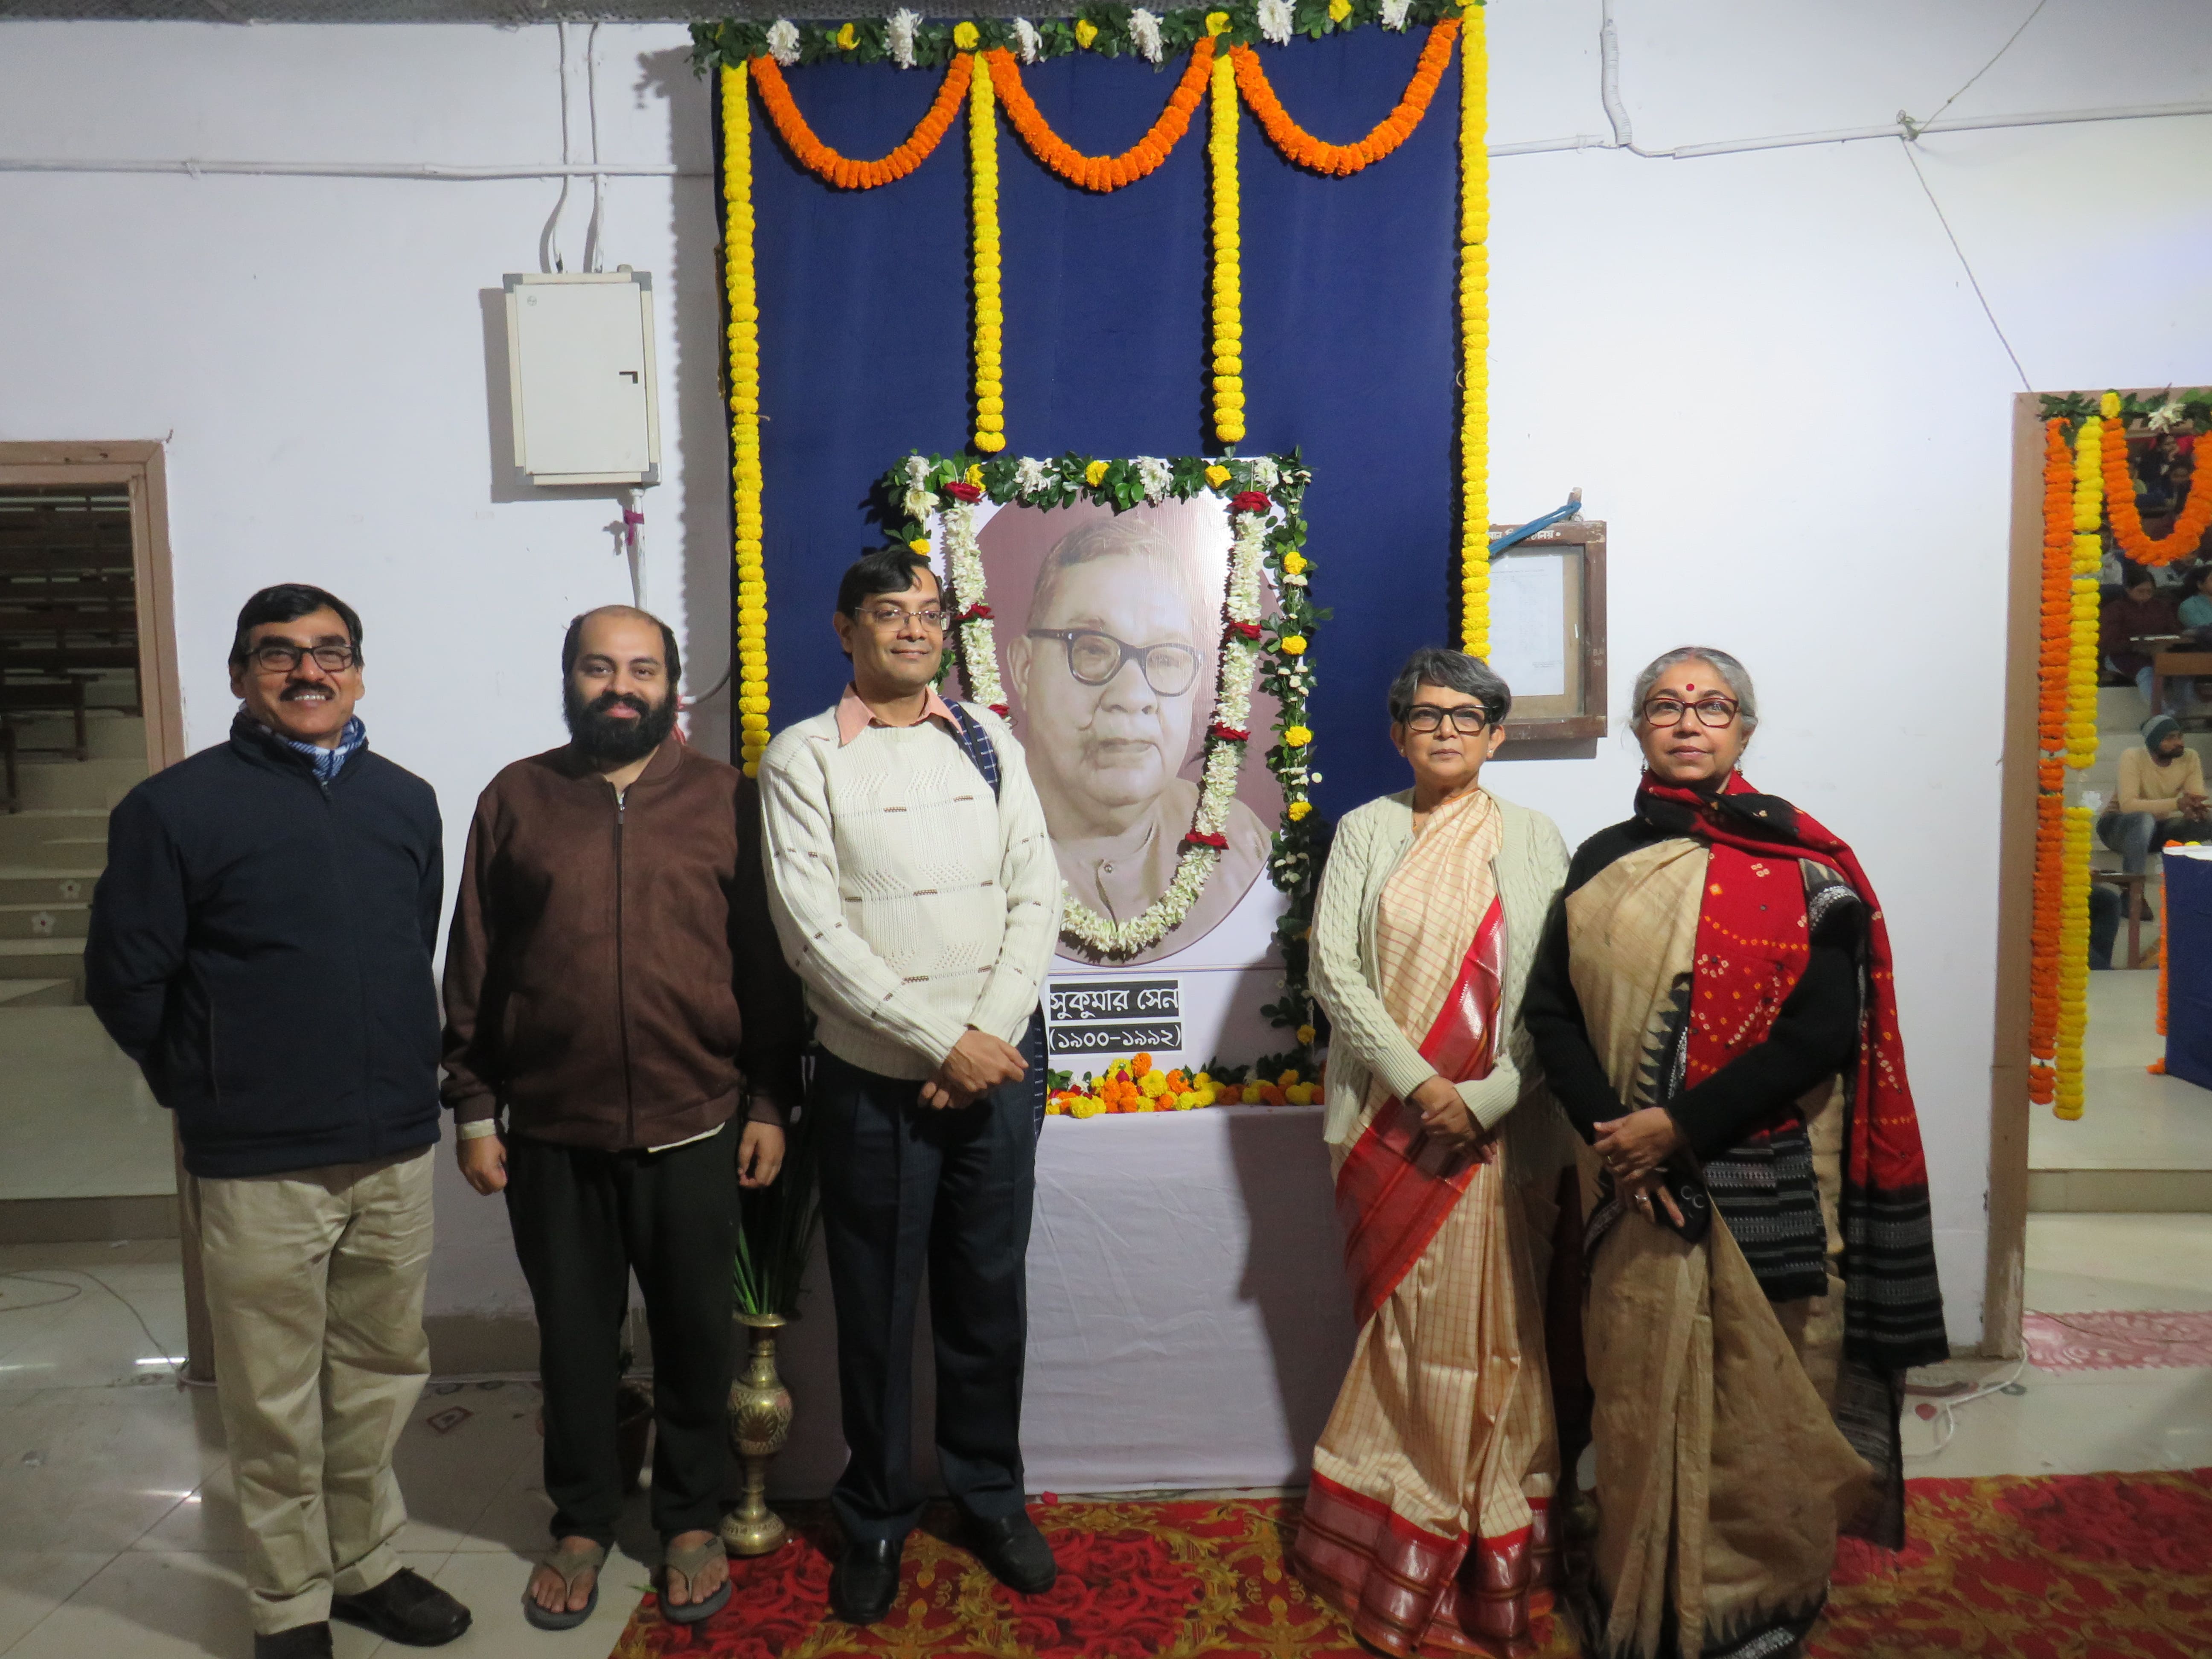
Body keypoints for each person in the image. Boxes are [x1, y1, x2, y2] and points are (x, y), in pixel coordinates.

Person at [1521, 646, 1949, 1659]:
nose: (1688, 721)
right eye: (1665, 705)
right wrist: (1615, 1135)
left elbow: (1818, 1034)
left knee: (1765, 1396)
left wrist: (1676, 1128)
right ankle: (1638, 1592)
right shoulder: (1600, 862)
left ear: (1744, 730)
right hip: (1626, 1183)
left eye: (1712, 706)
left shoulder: (1804, 866)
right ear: (1638, 729)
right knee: (1636, 1396)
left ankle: (1759, 1601)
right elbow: (1552, 1011)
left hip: (1764, 1178)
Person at [84, 585, 470, 1659]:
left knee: (380, 1376)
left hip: (393, 1144)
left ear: (358, 670)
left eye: (330, 652)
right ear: (239, 675)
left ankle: (366, 1565)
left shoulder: (406, 801)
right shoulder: (174, 809)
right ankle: (290, 1601)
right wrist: (210, 1084)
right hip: (259, 1162)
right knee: (272, 1397)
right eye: (278, 653)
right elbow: (125, 980)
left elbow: (409, 943)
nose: (309, 671)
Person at [440, 605, 806, 1630]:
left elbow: (764, 965)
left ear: (671, 685)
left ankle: (687, 1518)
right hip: (553, 1130)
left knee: (694, 1337)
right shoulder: (517, 797)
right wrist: (473, 1105)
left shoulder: (726, 799)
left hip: (698, 1123)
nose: (620, 687)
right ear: (569, 679)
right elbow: (474, 960)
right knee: (573, 1343)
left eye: (642, 669)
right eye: (599, 667)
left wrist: (768, 1099)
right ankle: (582, 1520)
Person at [760, 548, 1062, 1625]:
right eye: (889, 613)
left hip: (997, 1068)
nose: (913, 629)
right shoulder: (804, 757)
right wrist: (940, 1042)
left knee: (987, 1300)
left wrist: (985, 1036)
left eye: (929, 612)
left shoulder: (987, 739)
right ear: (846, 630)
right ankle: (878, 1513)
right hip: (874, 1079)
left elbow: (1036, 889)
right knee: (878, 1309)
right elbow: (810, 933)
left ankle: (990, 1496)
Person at [1290, 649, 1578, 1657]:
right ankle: (1394, 1526)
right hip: (1389, 1125)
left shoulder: (1534, 837)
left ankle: (1491, 1542)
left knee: (1506, 1334)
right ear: (1397, 733)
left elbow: (1555, 989)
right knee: (1406, 1338)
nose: (1445, 730)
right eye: (1426, 715)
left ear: (1496, 736)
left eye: (1466, 716)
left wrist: (1490, 1096)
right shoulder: (1365, 830)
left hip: (1504, 1132)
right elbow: (1334, 971)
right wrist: (1423, 1087)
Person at [1004, 515, 1270, 959]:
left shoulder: (1242, 846)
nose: (1132, 697)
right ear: (1025, 671)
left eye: (1166, 659)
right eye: (1092, 649)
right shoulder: (967, 842)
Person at [2097, 713, 2210, 876]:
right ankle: (2133, 885)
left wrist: (2194, 809)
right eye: (2170, 738)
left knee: (2208, 819)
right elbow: (2128, 806)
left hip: (2159, 829)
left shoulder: (2190, 757)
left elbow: (2194, 797)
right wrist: (2177, 804)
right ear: (2154, 741)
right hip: (2118, 827)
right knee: (2144, 820)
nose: (2179, 743)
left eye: (2180, 737)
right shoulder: (2133, 756)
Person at [2101, 564, 2181, 707]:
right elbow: (2109, 642)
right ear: (2128, 590)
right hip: (2121, 655)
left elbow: (2174, 632)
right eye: (2141, 591)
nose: (2145, 596)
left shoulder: (2161, 607)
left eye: (2149, 592)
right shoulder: (2115, 609)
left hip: (2157, 652)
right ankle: (2161, 714)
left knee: (2182, 669)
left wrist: (2165, 642)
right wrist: (2137, 646)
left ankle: (2182, 711)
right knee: (2147, 671)